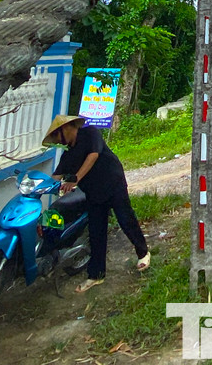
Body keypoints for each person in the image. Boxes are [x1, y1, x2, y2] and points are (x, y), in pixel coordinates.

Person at [42, 114, 150, 293]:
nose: (60, 141)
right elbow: (55, 176)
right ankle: (96, 275)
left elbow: (93, 155)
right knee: (96, 232)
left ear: (67, 128)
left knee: (125, 219)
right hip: (94, 192)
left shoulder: (90, 133)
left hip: (113, 182)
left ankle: (143, 252)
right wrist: (39, 187)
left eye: (58, 135)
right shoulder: (68, 154)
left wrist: (76, 178)